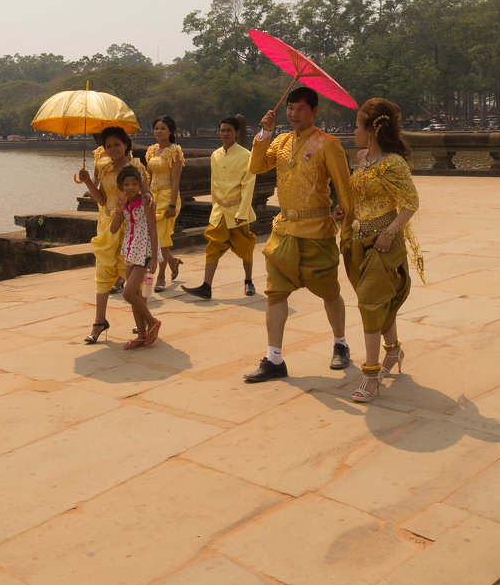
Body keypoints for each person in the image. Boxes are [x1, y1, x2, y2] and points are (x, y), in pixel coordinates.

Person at [243, 87, 354, 383]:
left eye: (301, 109)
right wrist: (264, 134)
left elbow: (344, 189)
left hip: (317, 230)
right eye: (291, 108)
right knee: (275, 294)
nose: (293, 114)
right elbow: (255, 166)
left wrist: (350, 226)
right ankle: (274, 358)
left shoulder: (328, 144)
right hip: (283, 231)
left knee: (330, 291)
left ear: (315, 111)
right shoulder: (279, 142)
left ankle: (340, 343)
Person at [343, 97, 425, 402]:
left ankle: (370, 374)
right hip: (358, 240)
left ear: (371, 130)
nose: (353, 131)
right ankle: (393, 351)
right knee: (379, 300)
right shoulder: (362, 157)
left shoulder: (393, 163)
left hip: (383, 242)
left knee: (369, 302)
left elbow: (410, 203)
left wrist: (390, 232)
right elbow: (359, 197)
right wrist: (343, 212)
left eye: (356, 126)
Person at [77, 127, 149, 344]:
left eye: (117, 144)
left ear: (126, 144)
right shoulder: (103, 166)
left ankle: (143, 321)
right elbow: (100, 198)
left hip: (131, 228)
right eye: (108, 146)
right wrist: (88, 181)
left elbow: (146, 195)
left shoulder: (136, 168)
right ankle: (99, 321)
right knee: (103, 272)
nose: (112, 149)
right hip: (107, 224)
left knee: (134, 278)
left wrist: (145, 199)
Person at [183, 115, 258, 300]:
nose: (225, 134)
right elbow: (214, 183)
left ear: (236, 133)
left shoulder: (246, 155)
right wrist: (214, 207)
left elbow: (248, 185)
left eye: (228, 131)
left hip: (237, 211)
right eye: (222, 130)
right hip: (220, 211)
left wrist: (242, 212)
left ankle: (248, 280)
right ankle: (206, 286)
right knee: (213, 246)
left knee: (245, 247)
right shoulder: (215, 155)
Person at [98, 165, 161, 348]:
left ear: (140, 185)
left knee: (128, 293)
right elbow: (113, 229)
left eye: (134, 184)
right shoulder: (124, 204)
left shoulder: (146, 202)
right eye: (126, 184)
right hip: (130, 250)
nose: (130, 187)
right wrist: (118, 210)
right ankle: (141, 335)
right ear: (121, 186)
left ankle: (152, 321)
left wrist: (155, 258)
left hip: (145, 251)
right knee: (137, 294)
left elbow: (154, 230)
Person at [144, 116, 184, 291]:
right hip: (152, 197)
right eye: (156, 128)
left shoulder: (175, 151)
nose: (158, 131)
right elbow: (148, 176)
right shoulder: (151, 150)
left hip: (168, 197)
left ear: (170, 131)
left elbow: (176, 180)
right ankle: (173, 262)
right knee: (153, 236)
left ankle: (161, 276)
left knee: (162, 236)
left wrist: (173, 204)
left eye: (162, 128)